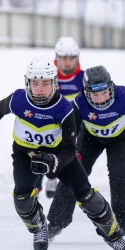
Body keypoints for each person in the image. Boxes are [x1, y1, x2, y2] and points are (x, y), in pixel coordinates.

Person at [0, 57, 125, 250]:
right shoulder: (18, 99)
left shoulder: (65, 108)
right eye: (35, 83)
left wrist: (55, 162)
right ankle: (39, 228)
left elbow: (70, 147)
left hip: (59, 155)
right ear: (28, 83)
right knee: (22, 198)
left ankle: (115, 237)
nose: (40, 89)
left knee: (86, 195)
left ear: (54, 84)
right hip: (26, 154)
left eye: (45, 83)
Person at [47, 65, 125, 240]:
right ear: (86, 93)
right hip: (90, 139)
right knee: (72, 173)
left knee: (120, 173)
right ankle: (57, 222)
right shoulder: (79, 104)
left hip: (122, 138)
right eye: (95, 95)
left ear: (111, 88)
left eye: (104, 92)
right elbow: (69, 129)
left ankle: (120, 219)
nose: (100, 98)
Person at [41, 37, 86, 198]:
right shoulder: (47, 76)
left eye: (71, 58)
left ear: (77, 58)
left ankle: (68, 181)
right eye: (64, 58)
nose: (67, 62)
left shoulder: (84, 78)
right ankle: (47, 178)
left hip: (75, 123)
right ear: (57, 58)